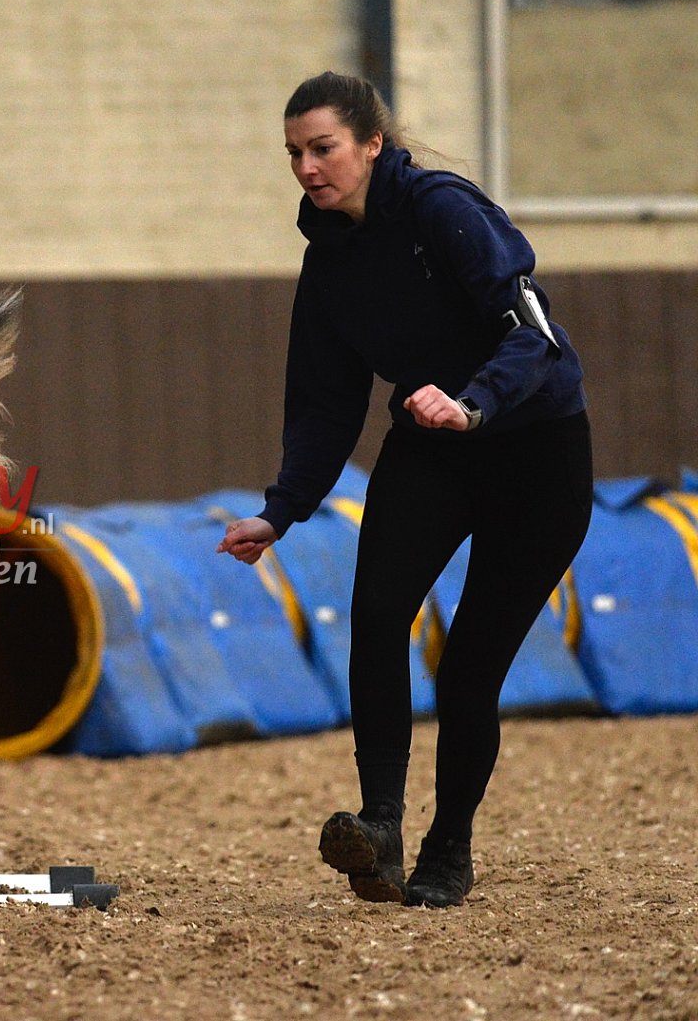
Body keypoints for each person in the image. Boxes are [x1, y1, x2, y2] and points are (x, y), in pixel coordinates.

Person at [217, 71, 592, 908]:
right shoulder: (327, 263)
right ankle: (380, 825)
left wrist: (473, 402)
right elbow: (324, 406)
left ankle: (448, 848)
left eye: (323, 148)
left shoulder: (444, 211)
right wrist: (280, 510)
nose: (307, 168)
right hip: (434, 446)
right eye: (294, 154)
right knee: (380, 611)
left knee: (467, 669)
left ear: (372, 143)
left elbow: (534, 336)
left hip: (536, 450)